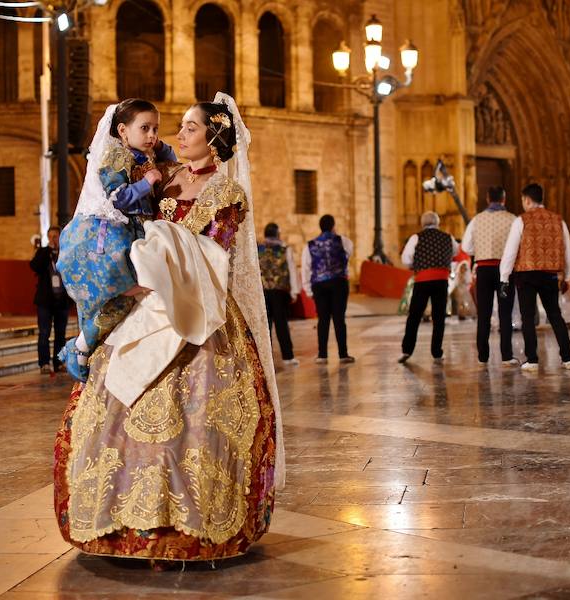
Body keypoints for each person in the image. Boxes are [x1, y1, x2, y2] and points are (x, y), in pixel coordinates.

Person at [54, 94, 283, 562]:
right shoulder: (163, 177)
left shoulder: (225, 192)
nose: (179, 135)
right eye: (178, 126)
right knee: (119, 415)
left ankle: (187, 527)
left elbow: (212, 257)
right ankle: (122, 524)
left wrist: (157, 262)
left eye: (191, 128)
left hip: (195, 315)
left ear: (214, 138)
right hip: (145, 302)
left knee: (197, 426)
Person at [56, 99, 177, 382]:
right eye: (145, 128)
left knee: (140, 299)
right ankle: (80, 347)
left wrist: (157, 147)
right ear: (123, 130)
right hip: (117, 237)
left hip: (141, 233)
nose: (152, 135)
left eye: (155, 129)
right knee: (126, 298)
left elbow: (169, 157)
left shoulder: (140, 154)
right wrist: (146, 183)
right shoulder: (115, 156)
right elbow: (116, 198)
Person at [499, 183, 570, 371]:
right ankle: (568, 358)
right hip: (550, 275)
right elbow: (568, 252)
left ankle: (532, 360)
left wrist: (504, 277)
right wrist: (568, 277)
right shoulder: (559, 220)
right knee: (555, 315)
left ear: (527, 200)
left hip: (526, 274)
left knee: (527, 316)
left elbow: (510, 251)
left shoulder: (521, 220)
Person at [461, 185, 518, 366]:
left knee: (484, 313)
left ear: (487, 199)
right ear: (504, 199)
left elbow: (466, 247)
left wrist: (481, 249)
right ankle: (506, 355)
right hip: (505, 271)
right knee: (505, 313)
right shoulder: (513, 219)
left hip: (484, 270)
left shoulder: (476, 220)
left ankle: (483, 355)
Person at [398, 211, 458, 364]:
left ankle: (407, 350)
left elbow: (405, 259)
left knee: (414, 316)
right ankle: (437, 352)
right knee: (439, 317)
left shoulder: (416, 237)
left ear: (422, 223)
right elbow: (455, 252)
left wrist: (416, 265)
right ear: (438, 223)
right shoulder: (448, 237)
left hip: (422, 280)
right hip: (441, 280)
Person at [302, 215, 355, 364]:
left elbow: (306, 268)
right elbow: (349, 251)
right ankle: (343, 354)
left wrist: (308, 289)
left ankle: (322, 355)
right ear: (333, 226)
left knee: (323, 320)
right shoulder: (342, 241)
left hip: (319, 285)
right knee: (339, 319)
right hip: (339, 283)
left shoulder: (310, 245)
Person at [30, 226, 70, 374]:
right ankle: (44, 363)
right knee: (44, 333)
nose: (53, 239)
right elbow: (34, 266)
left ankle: (59, 362)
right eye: (50, 236)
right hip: (45, 300)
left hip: (61, 300)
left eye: (55, 236)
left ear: (60, 237)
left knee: (60, 334)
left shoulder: (65, 252)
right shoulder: (43, 252)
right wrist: (47, 252)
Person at [258, 222, 299, 366]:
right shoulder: (284, 249)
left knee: (265, 325)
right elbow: (292, 270)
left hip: (262, 291)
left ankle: (265, 359)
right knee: (282, 324)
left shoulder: (258, 249)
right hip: (279, 291)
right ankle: (288, 357)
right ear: (277, 234)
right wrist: (294, 291)